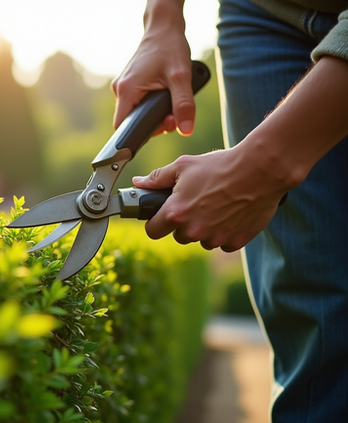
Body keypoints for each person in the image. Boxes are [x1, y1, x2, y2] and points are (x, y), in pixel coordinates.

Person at [111, 0, 348, 421]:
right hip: (263, 13)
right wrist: (161, 19)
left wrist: (263, 165)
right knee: (311, 311)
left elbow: (267, 164)